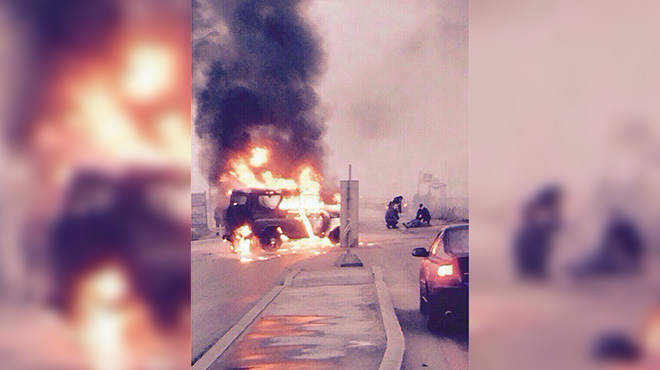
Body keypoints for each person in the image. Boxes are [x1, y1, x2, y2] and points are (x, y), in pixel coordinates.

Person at [513, 185, 562, 280]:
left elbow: (554, 225)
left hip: (532, 248)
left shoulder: (540, 208)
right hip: (529, 251)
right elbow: (549, 226)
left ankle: (535, 270)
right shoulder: (532, 207)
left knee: (545, 243)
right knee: (542, 242)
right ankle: (533, 270)